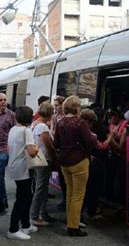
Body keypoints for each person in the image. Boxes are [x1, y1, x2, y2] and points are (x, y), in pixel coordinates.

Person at [53, 96, 97, 237]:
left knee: (70, 194)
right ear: (76, 107)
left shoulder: (60, 122)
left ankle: (70, 222)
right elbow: (90, 143)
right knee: (78, 195)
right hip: (79, 162)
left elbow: (56, 144)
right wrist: (94, 137)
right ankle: (73, 227)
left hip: (64, 163)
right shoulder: (80, 123)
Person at [6, 106, 38, 240]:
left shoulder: (13, 129)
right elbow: (32, 151)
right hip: (24, 169)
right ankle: (13, 229)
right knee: (22, 198)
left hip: (14, 166)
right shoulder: (27, 131)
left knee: (26, 195)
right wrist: (37, 147)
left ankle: (26, 224)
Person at [30, 102, 57, 227]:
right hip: (44, 159)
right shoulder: (43, 127)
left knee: (41, 187)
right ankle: (35, 215)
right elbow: (48, 145)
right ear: (48, 113)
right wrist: (55, 155)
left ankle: (43, 212)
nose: (54, 114)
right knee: (40, 188)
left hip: (37, 158)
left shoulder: (35, 124)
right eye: (52, 112)